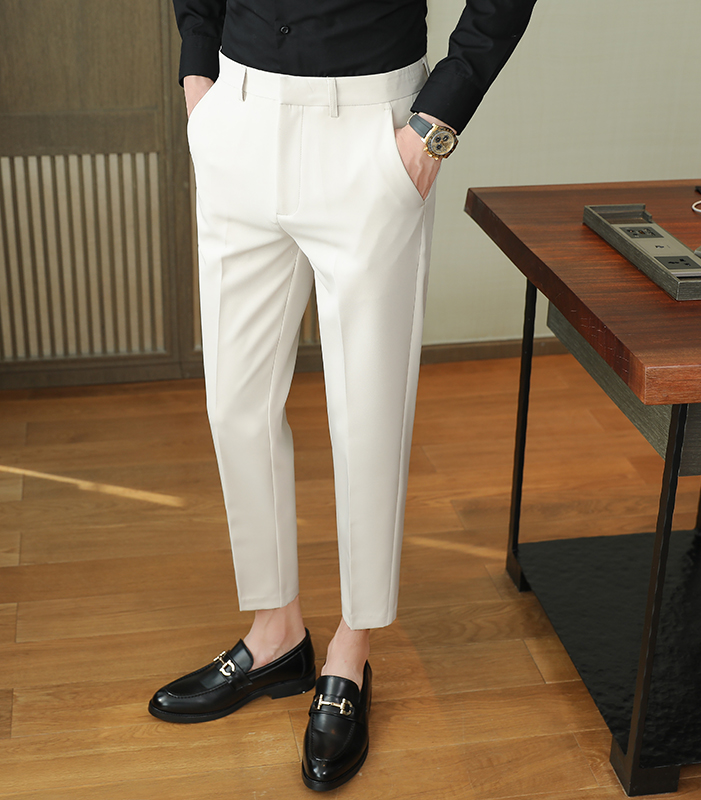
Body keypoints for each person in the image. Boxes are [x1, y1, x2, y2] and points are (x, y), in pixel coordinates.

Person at [150, 0, 538, 791]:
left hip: (373, 129)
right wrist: (198, 75)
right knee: (235, 406)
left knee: (368, 417)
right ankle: (274, 634)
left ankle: (350, 652)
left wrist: (434, 128)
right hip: (237, 112)